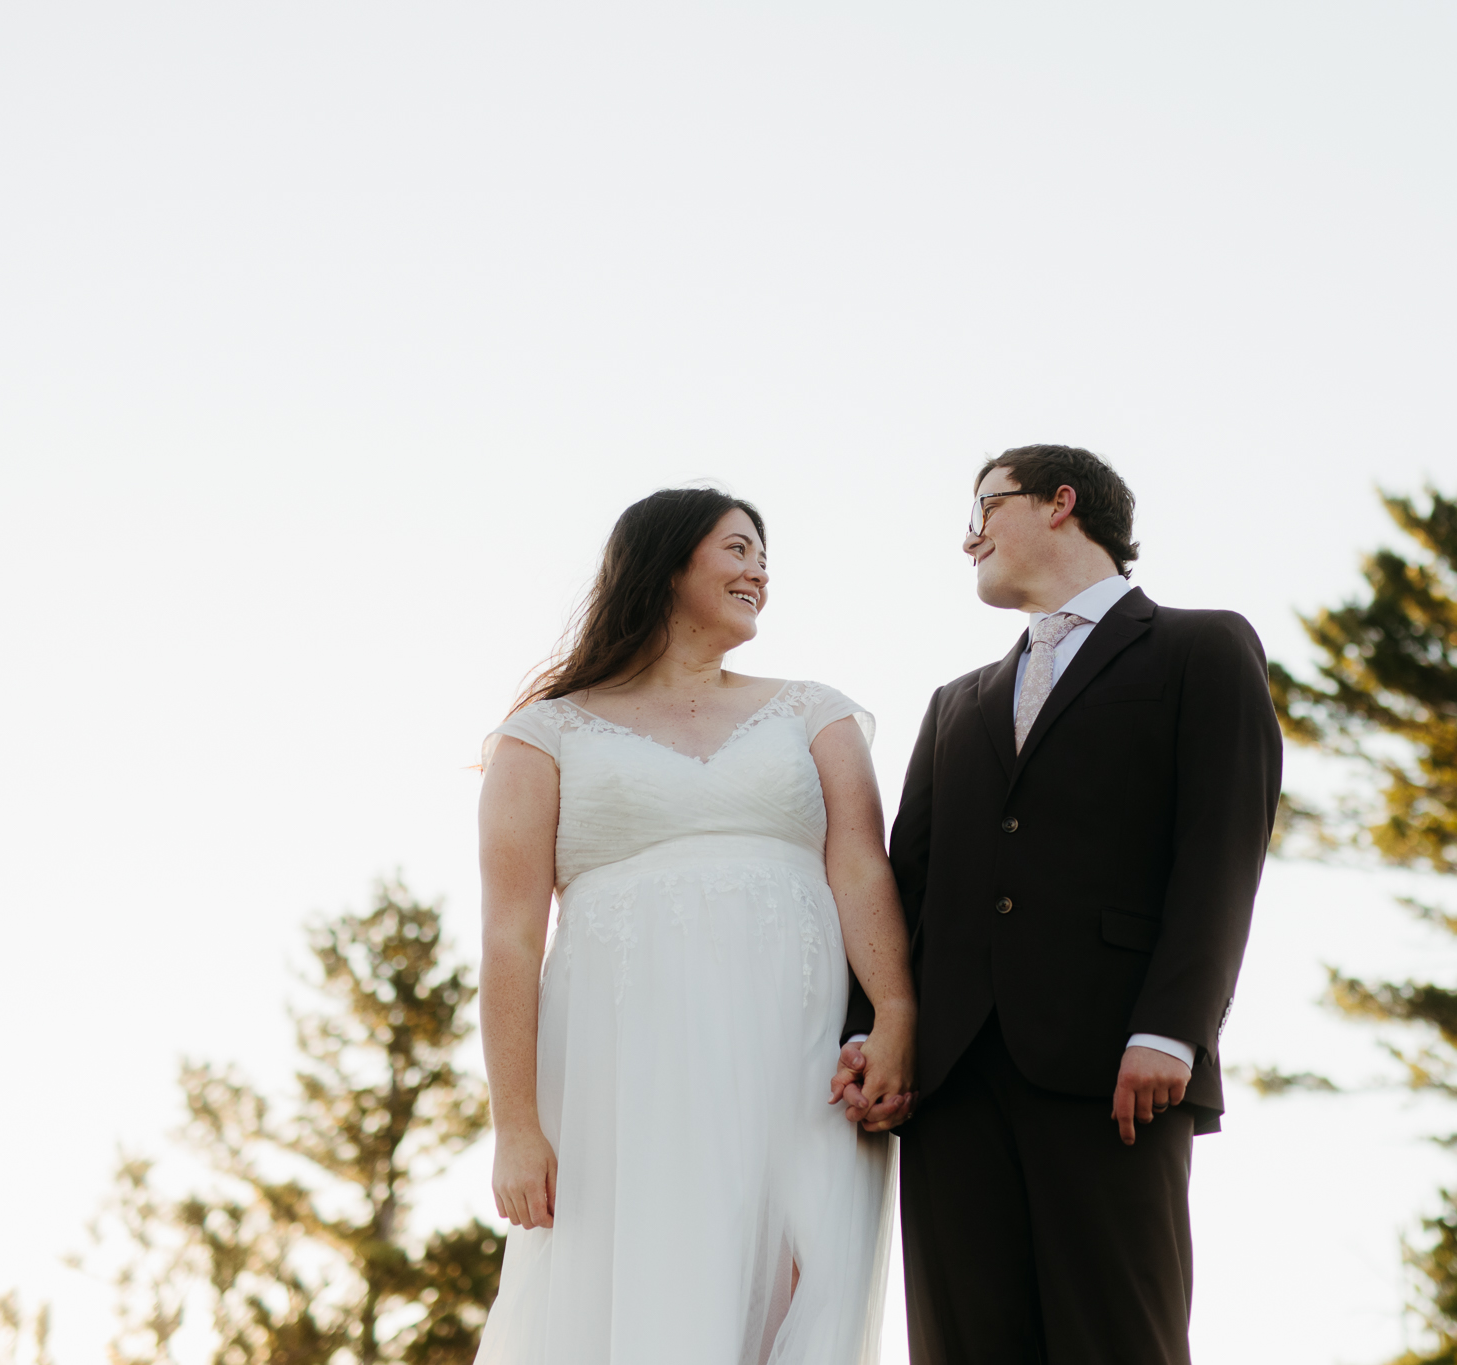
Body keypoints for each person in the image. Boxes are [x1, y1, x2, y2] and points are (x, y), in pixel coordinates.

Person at [837, 445, 1283, 1365]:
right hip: (953, 1082)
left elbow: (1222, 851)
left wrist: (1172, 1027)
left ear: (1059, 503)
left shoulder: (1203, 646)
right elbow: (905, 885)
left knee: (1119, 1341)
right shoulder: (954, 704)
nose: (969, 540)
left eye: (983, 510)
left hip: (1116, 1065)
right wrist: (874, 1029)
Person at [473, 487, 916, 1365]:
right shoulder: (543, 734)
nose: (759, 572)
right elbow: (510, 937)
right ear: (668, 560)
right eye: (738, 549)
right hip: (621, 1070)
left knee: (802, 1275)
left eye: (763, 558)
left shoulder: (813, 712)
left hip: (793, 1057)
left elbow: (863, 866)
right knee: (637, 1283)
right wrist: (516, 1124)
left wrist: (897, 1012)